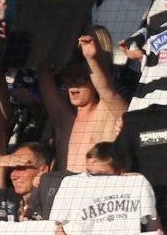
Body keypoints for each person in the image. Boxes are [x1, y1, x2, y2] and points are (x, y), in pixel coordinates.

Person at [36, 32, 127, 172]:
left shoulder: (105, 114)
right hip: (64, 188)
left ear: (93, 83)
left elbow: (108, 91)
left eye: (80, 79)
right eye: (69, 79)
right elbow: (42, 70)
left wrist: (91, 58)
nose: (73, 84)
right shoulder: (63, 118)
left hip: (96, 188)